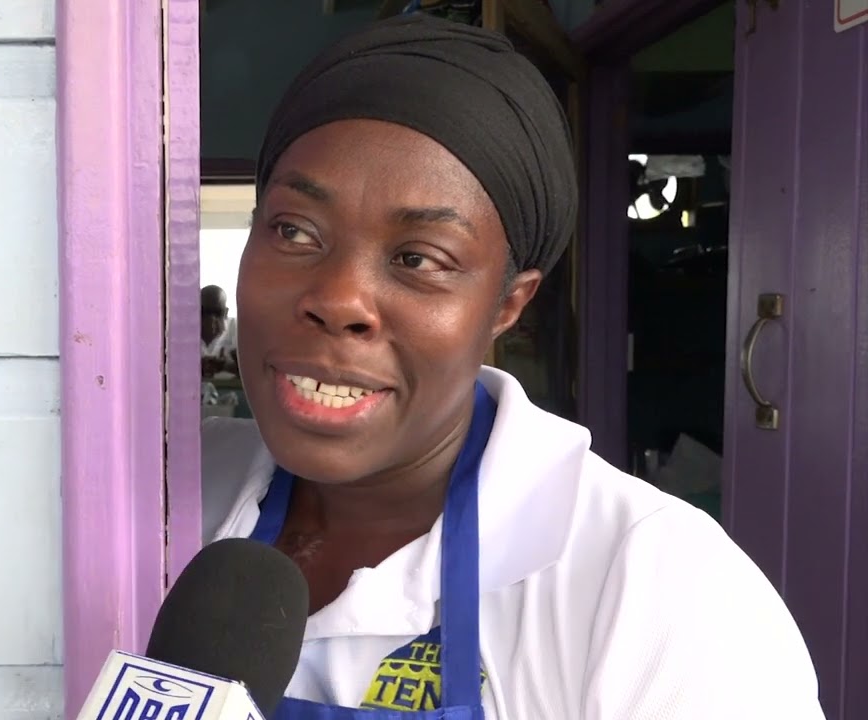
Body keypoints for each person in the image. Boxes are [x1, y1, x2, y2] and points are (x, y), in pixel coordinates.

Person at [200, 14, 823, 720]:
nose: (338, 300)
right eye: (294, 230)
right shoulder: (163, 494)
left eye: (418, 259)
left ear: (507, 304)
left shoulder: (660, 593)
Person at [201, 284, 239, 379]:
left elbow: (257, 375)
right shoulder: (179, 334)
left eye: (217, 312)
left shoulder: (238, 331)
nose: (211, 319)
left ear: (225, 313)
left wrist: (226, 366)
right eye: (204, 312)